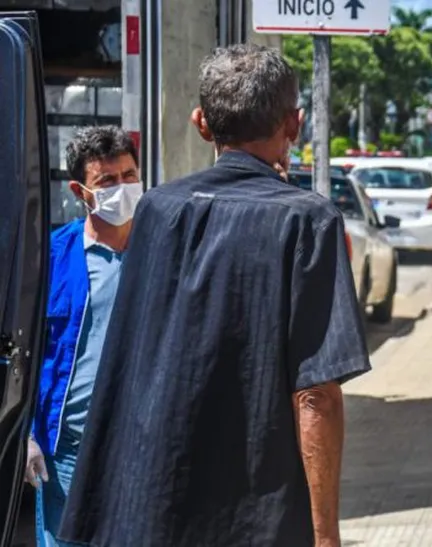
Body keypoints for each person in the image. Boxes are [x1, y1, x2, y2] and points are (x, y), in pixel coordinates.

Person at [57, 44, 371, 547]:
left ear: (202, 124)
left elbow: (125, 366)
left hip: (151, 507)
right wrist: (326, 536)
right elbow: (315, 394)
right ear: (293, 125)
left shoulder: (157, 210)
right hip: (259, 520)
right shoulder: (308, 220)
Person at [24, 126, 141, 547]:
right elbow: (24, 351)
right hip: (70, 451)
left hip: (143, 447)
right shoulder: (52, 258)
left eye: (129, 175)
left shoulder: (161, 252)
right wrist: (28, 436)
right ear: (80, 190)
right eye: (107, 181)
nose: (122, 188)